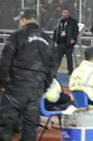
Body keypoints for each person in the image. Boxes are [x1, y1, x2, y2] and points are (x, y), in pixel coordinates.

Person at [0, 9, 57, 141]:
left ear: (23, 20)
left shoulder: (18, 36)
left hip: (16, 85)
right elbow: (54, 65)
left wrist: (2, 83)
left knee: (5, 124)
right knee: (30, 126)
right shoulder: (47, 39)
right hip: (36, 87)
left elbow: (5, 61)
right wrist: (45, 85)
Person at [53, 7, 79, 73]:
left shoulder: (73, 21)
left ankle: (70, 71)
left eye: (67, 12)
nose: (66, 14)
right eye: (65, 12)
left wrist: (73, 38)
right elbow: (56, 31)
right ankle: (54, 71)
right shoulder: (59, 21)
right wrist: (54, 40)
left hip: (68, 42)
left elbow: (76, 31)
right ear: (62, 13)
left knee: (69, 57)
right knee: (58, 58)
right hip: (60, 42)